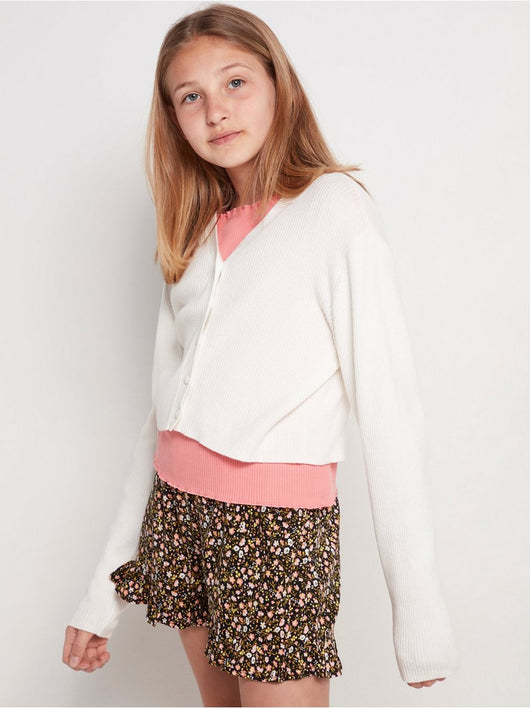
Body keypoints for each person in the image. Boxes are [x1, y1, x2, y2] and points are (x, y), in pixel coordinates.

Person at [62, 4, 459, 706]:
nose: (216, 110)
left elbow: (391, 411)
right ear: (173, 118)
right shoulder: (192, 236)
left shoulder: (334, 210)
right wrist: (101, 594)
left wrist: (418, 612)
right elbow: (162, 425)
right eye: (191, 97)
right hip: (179, 516)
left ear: (280, 84)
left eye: (236, 82)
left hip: (276, 532)